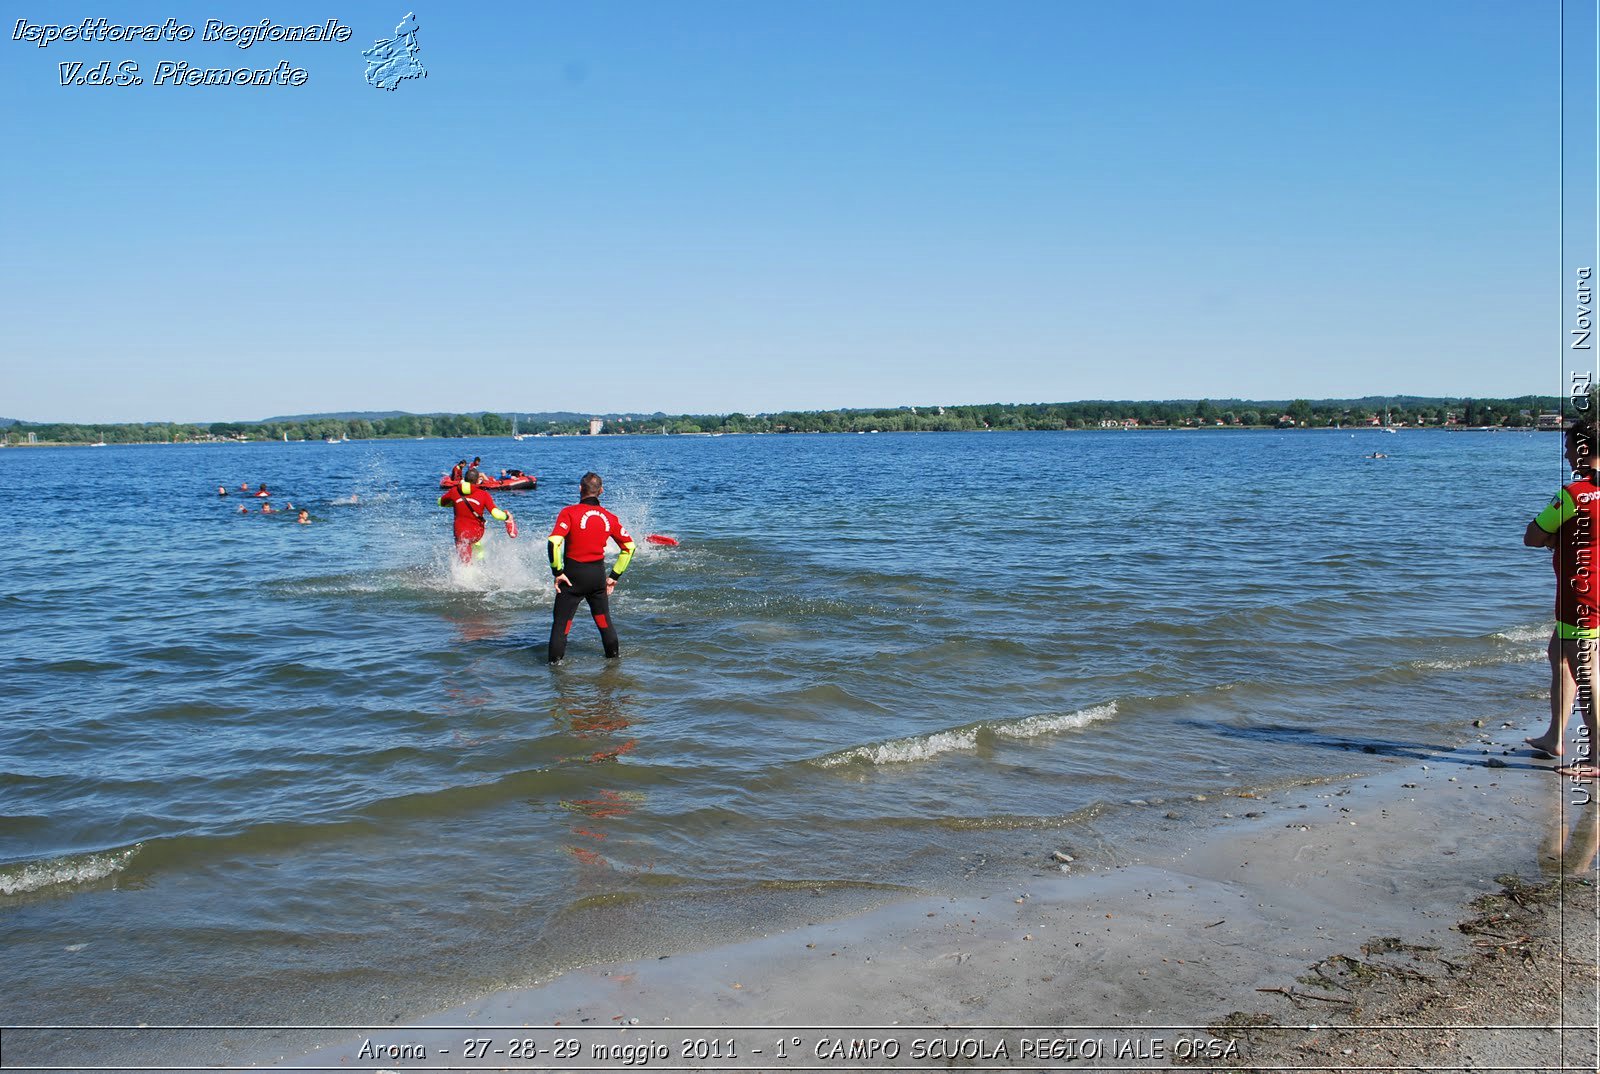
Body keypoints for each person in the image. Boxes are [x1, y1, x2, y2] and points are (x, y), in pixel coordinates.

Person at [1524, 420, 1600, 776]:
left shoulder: (1573, 494)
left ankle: (1597, 757)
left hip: (1580, 595)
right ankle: (1556, 735)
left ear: (1584, 450)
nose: (1567, 453)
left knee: (1585, 671)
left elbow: (1533, 535)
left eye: (1569, 446)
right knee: (1558, 654)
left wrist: (1556, 538)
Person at [546, 472, 636, 664]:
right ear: (601, 491)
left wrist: (558, 572)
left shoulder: (568, 512)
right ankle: (613, 668)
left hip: (572, 577)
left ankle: (555, 677)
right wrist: (614, 576)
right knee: (604, 623)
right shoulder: (609, 517)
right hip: (597, 576)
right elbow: (629, 547)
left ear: (580, 489)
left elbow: (554, 542)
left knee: (562, 625)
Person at [438, 469, 512, 564]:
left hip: (459, 533)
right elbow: (496, 514)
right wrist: (507, 517)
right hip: (476, 533)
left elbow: (440, 502)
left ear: (464, 479)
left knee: (464, 561)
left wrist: (454, 503)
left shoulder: (454, 491)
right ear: (478, 481)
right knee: (474, 543)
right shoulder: (483, 494)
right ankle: (480, 564)